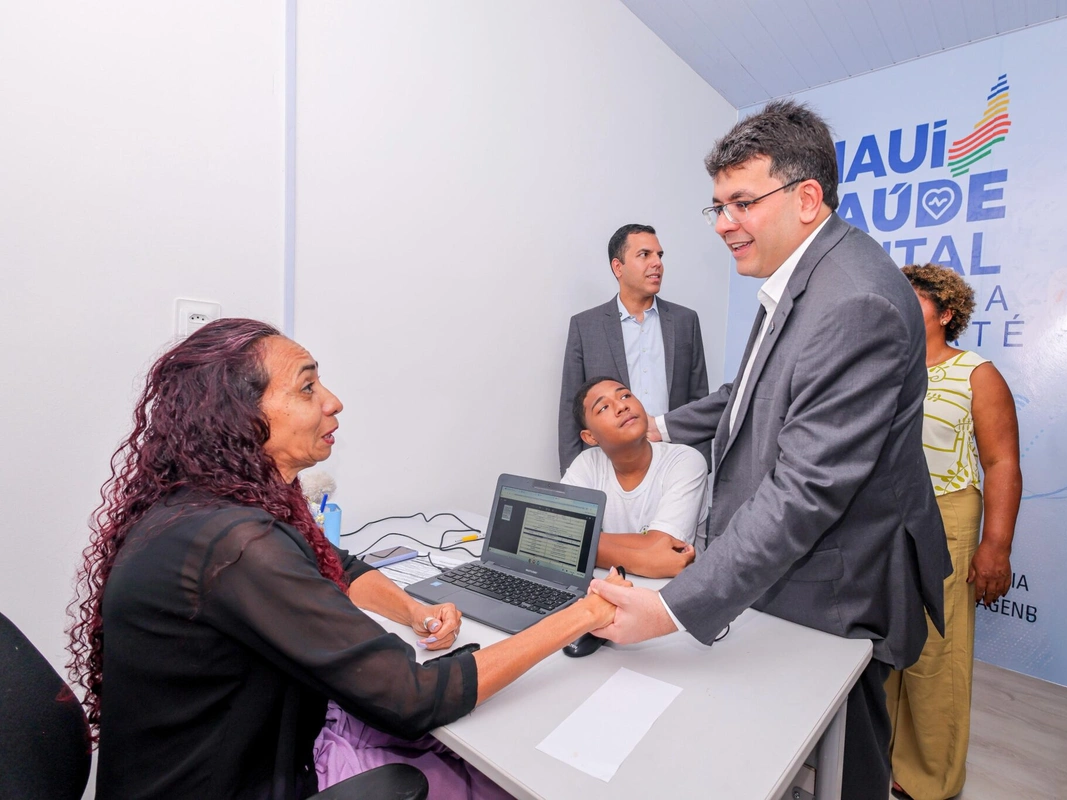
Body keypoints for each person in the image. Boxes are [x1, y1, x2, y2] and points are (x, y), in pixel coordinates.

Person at [67, 318, 625, 800]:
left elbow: (338, 562)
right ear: (240, 418)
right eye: (307, 388)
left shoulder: (206, 504)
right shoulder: (236, 544)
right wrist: (581, 615)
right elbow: (413, 696)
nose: (332, 400)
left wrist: (412, 611)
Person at [586, 100, 951, 799]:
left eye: (741, 202)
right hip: (807, 562)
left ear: (806, 198)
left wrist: (668, 611)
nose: (723, 224)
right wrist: (656, 425)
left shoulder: (856, 302)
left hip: (843, 574)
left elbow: (804, 491)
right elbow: (752, 390)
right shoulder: (805, 275)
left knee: (847, 750)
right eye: (718, 205)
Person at [885, 264, 1022, 800]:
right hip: (885, 517)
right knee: (885, 643)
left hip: (946, 515)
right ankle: (882, 754)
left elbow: (1002, 463)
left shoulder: (975, 373)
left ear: (946, 314)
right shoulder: (886, 369)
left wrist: (996, 545)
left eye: (913, 299)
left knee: (936, 653)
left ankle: (930, 779)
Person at [558, 223, 709, 474]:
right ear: (618, 267)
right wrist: (571, 475)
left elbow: (698, 399)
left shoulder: (685, 321)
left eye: (659, 255)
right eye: (644, 255)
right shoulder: (585, 326)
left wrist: (701, 464)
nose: (657, 263)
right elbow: (570, 407)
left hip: (672, 460)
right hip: (608, 465)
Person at [561, 376, 708, 578]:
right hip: (608, 591)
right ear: (590, 437)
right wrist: (647, 561)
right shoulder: (587, 464)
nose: (621, 406)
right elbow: (559, 536)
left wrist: (583, 544)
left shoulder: (685, 461)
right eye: (603, 408)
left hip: (672, 597)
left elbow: (666, 549)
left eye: (625, 395)